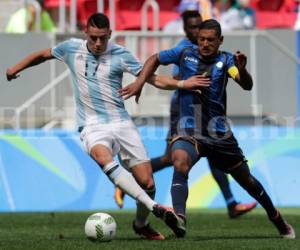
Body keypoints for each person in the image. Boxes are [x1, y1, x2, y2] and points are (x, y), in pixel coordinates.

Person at [6, 13, 208, 240]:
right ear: (86, 33)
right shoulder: (71, 49)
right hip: (91, 125)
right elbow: (42, 55)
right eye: (93, 38)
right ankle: (156, 208)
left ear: (110, 34)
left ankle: (141, 224)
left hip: (122, 123)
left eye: (103, 38)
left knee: (147, 182)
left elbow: (154, 78)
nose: (98, 43)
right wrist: (15, 67)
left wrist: (183, 83)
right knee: (103, 157)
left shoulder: (120, 54)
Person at [119, 19, 296, 239]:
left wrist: (243, 70)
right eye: (202, 39)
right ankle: (180, 218)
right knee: (179, 161)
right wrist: (139, 83)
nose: (204, 44)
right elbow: (155, 58)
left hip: (218, 134)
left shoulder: (227, 61)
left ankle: (276, 218)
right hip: (189, 130)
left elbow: (245, 84)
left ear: (220, 41)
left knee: (247, 180)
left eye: (210, 40)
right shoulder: (185, 54)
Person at [115, 10, 257, 219]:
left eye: (198, 26)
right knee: (170, 158)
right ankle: (130, 179)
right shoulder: (184, 49)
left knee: (212, 155)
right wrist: (186, 80)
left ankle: (231, 203)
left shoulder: (210, 51)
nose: (197, 32)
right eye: (192, 28)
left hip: (204, 113)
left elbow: (241, 80)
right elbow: (174, 77)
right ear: (186, 29)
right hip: (183, 110)